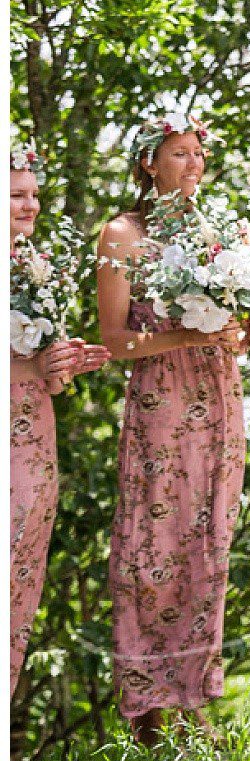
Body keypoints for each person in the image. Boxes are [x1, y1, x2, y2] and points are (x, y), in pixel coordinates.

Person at [96, 115, 250, 744]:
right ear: (149, 162)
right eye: (179, 153)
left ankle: (195, 698)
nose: (193, 163)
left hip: (220, 397)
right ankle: (148, 706)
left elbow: (235, 317)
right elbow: (115, 341)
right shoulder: (123, 234)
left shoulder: (217, 232)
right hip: (161, 405)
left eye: (198, 153)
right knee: (154, 544)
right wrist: (184, 335)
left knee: (209, 544)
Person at [10, 147, 110, 694]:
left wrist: (61, 363)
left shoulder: (34, 267)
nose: (32, 205)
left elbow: (49, 375)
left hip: (34, 435)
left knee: (23, 569)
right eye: (17, 196)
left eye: (34, 195)